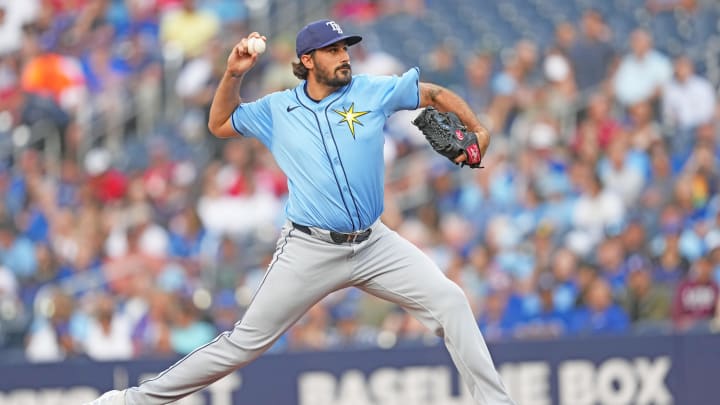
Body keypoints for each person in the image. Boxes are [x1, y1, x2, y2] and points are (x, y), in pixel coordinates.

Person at [86, 19, 515, 405]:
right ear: (307, 60)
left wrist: (475, 128)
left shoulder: (371, 89)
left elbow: (434, 94)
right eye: (333, 50)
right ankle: (131, 401)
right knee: (244, 343)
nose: (344, 57)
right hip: (310, 248)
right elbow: (219, 124)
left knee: (451, 301)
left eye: (345, 48)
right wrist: (233, 74)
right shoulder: (277, 109)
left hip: (374, 242)